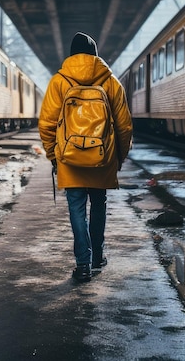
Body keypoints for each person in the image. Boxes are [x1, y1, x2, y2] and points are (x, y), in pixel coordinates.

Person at [39, 31, 133, 282]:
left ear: (71, 55)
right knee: (98, 206)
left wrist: (54, 156)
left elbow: (46, 124)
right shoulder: (110, 81)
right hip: (102, 159)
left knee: (76, 209)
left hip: (70, 160)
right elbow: (124, 126)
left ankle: (83, 265)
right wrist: (118, 157)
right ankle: (97, 257)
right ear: (95, 55)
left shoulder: (59, 82)